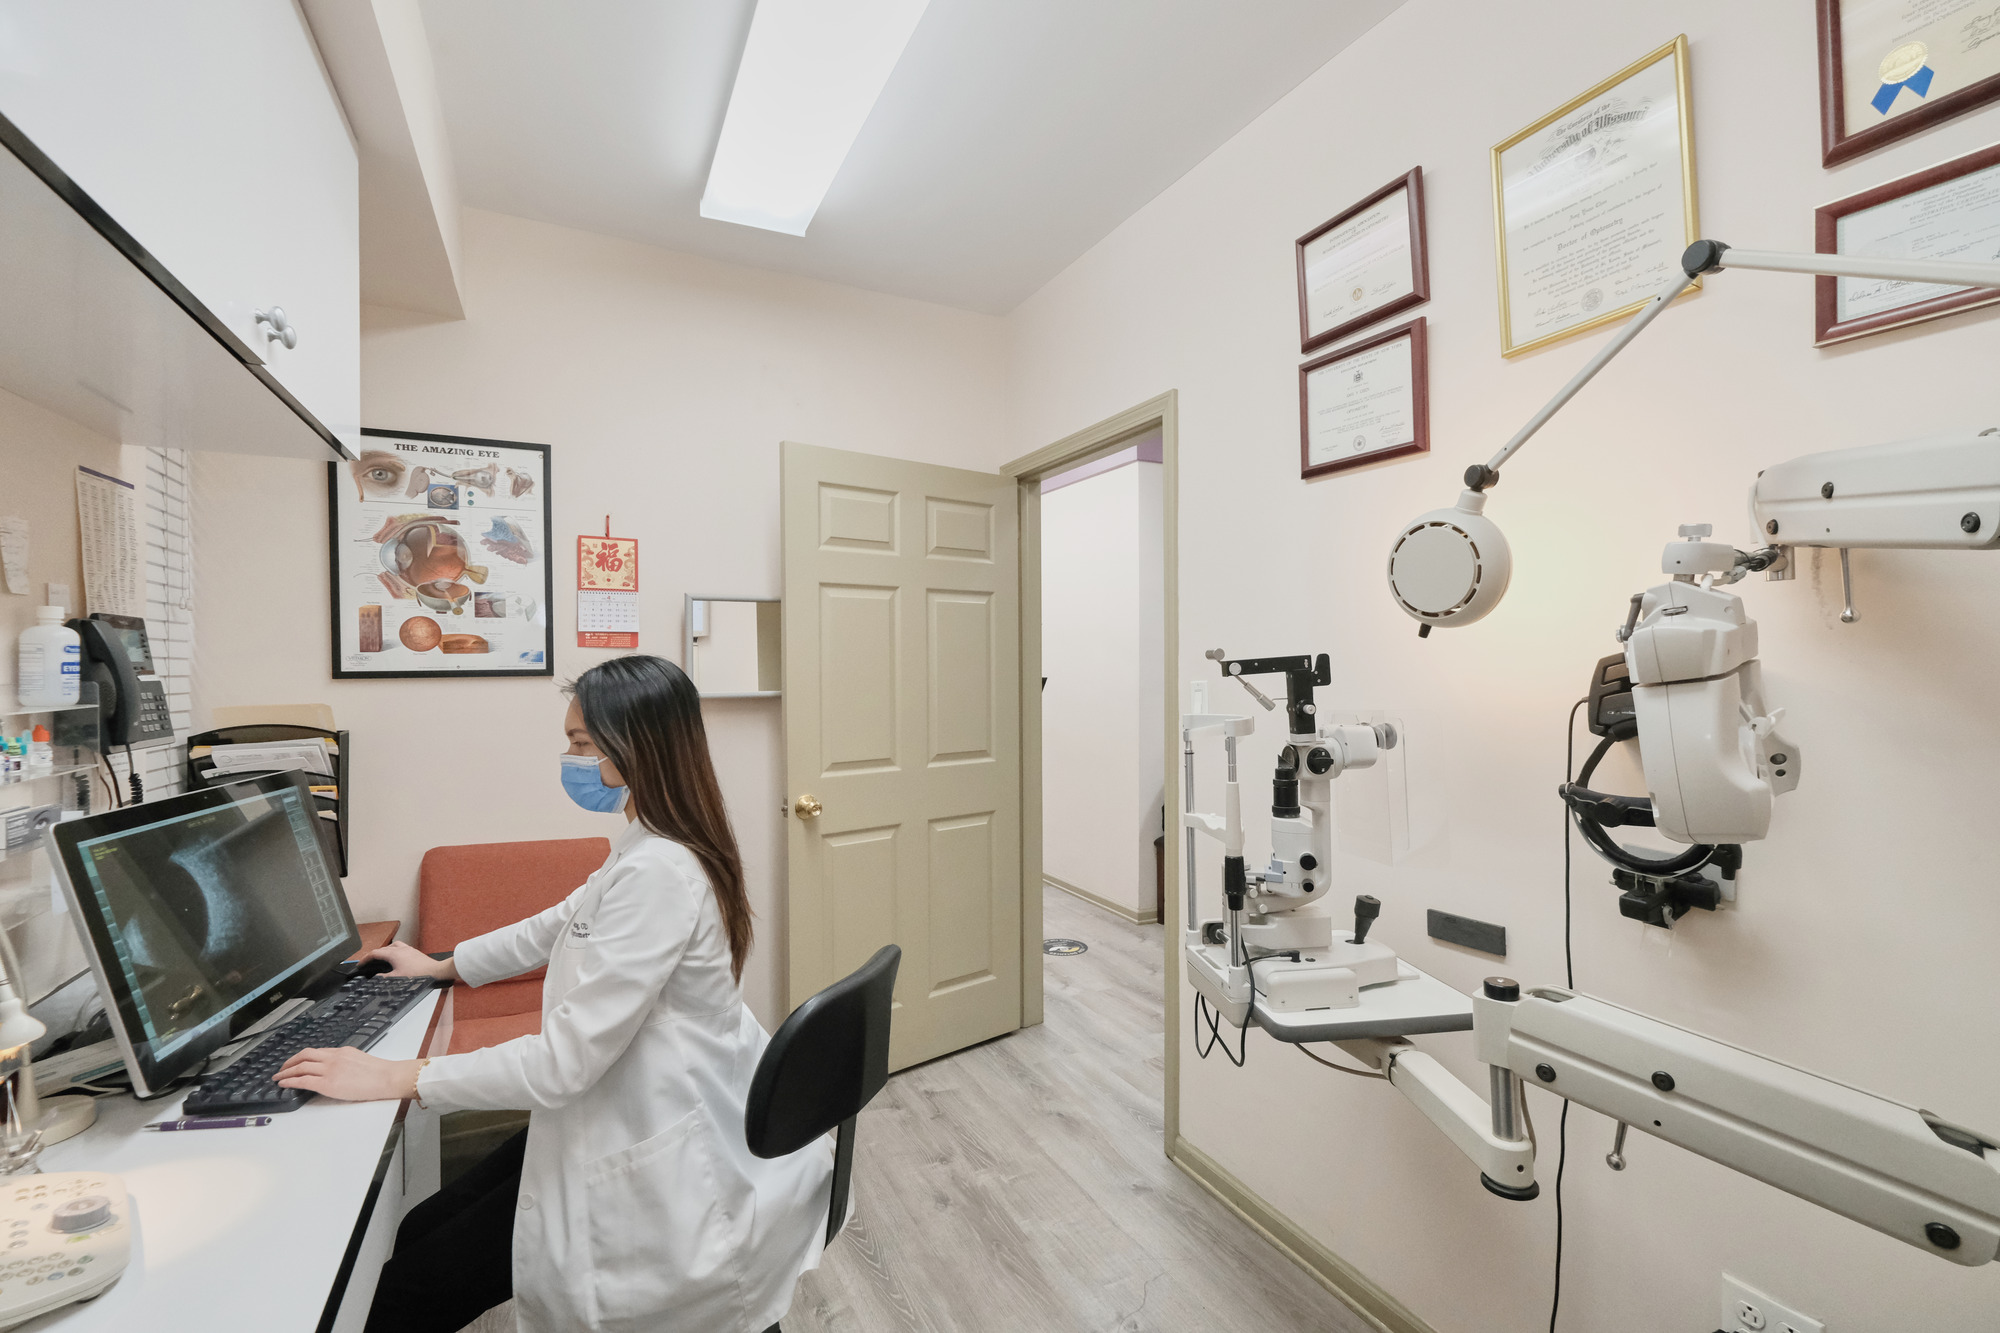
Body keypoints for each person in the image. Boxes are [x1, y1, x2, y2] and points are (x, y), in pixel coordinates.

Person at [278, 655, 831, 1333]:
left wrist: (398, 1075)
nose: (566, 758)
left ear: (634, 750)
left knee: (406, 1291)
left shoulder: (661, 871)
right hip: (609, 1107)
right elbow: (560, 922)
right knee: (421, 1227)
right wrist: (444, 965)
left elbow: (563, 1063)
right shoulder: (651, 842)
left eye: (579, 744)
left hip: (642, 1147)